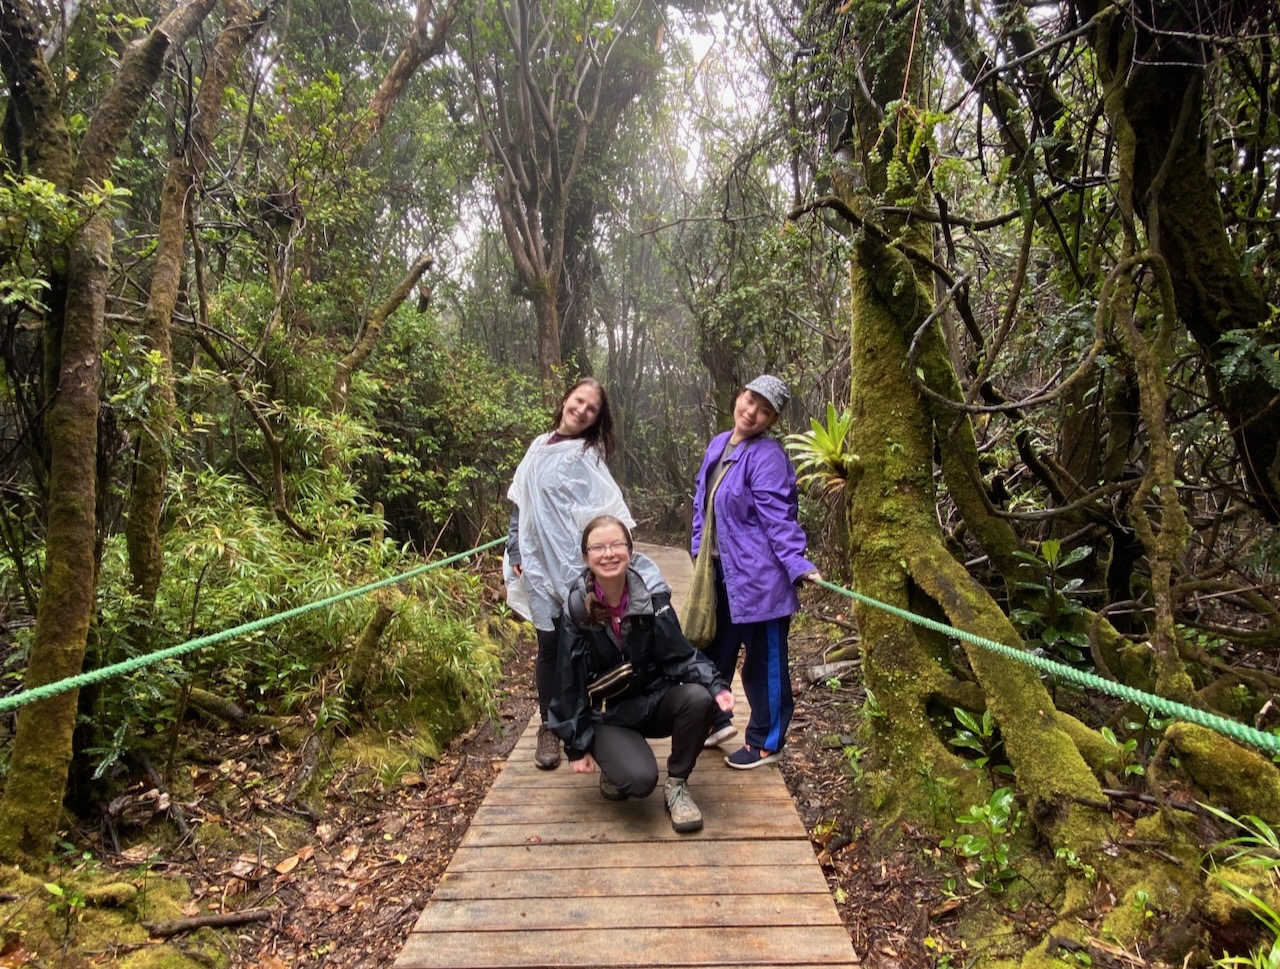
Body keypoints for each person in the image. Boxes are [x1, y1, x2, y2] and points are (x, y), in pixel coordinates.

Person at [505, 377, 662, 770]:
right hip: (537, 565)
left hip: (574, 565)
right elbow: (520, 501)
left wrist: (611, 555)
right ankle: (549, 725)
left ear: (596, 418)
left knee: (585, 646)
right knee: (549, 645)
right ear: (565, 400)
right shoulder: (539, 445)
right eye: (578, 401)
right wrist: (515, 547)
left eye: (591, 409)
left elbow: (607, 508)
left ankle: (593, 722)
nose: (582, 410)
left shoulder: (587, 456)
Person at [549, 515, 734, 833]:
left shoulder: (652, 598)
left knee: (698, 698)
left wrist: (716, 686)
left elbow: (681, 655)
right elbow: (568, 681)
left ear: (630, 551)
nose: (609, 554)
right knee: (639, 780)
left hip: (652, 698)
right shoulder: (577, 610)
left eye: (616, 545)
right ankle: (614, 762)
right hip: (607, 714)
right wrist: (576, 747)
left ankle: (677, 785)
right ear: (585, 557)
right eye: (598, 547)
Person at [690, 374, 820, 769]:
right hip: (719, 575)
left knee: (764, 665)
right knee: (712, 654)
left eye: (764, 411)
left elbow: (778, 517)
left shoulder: (767, 456)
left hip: (761, 582)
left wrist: (797, 564)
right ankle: (715, 720)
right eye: (750, 401)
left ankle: (767, 741)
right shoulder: (719, 445)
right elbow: (702, 504)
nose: (751, 413)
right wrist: (697, 551)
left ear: (772, 420)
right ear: (739, 396)